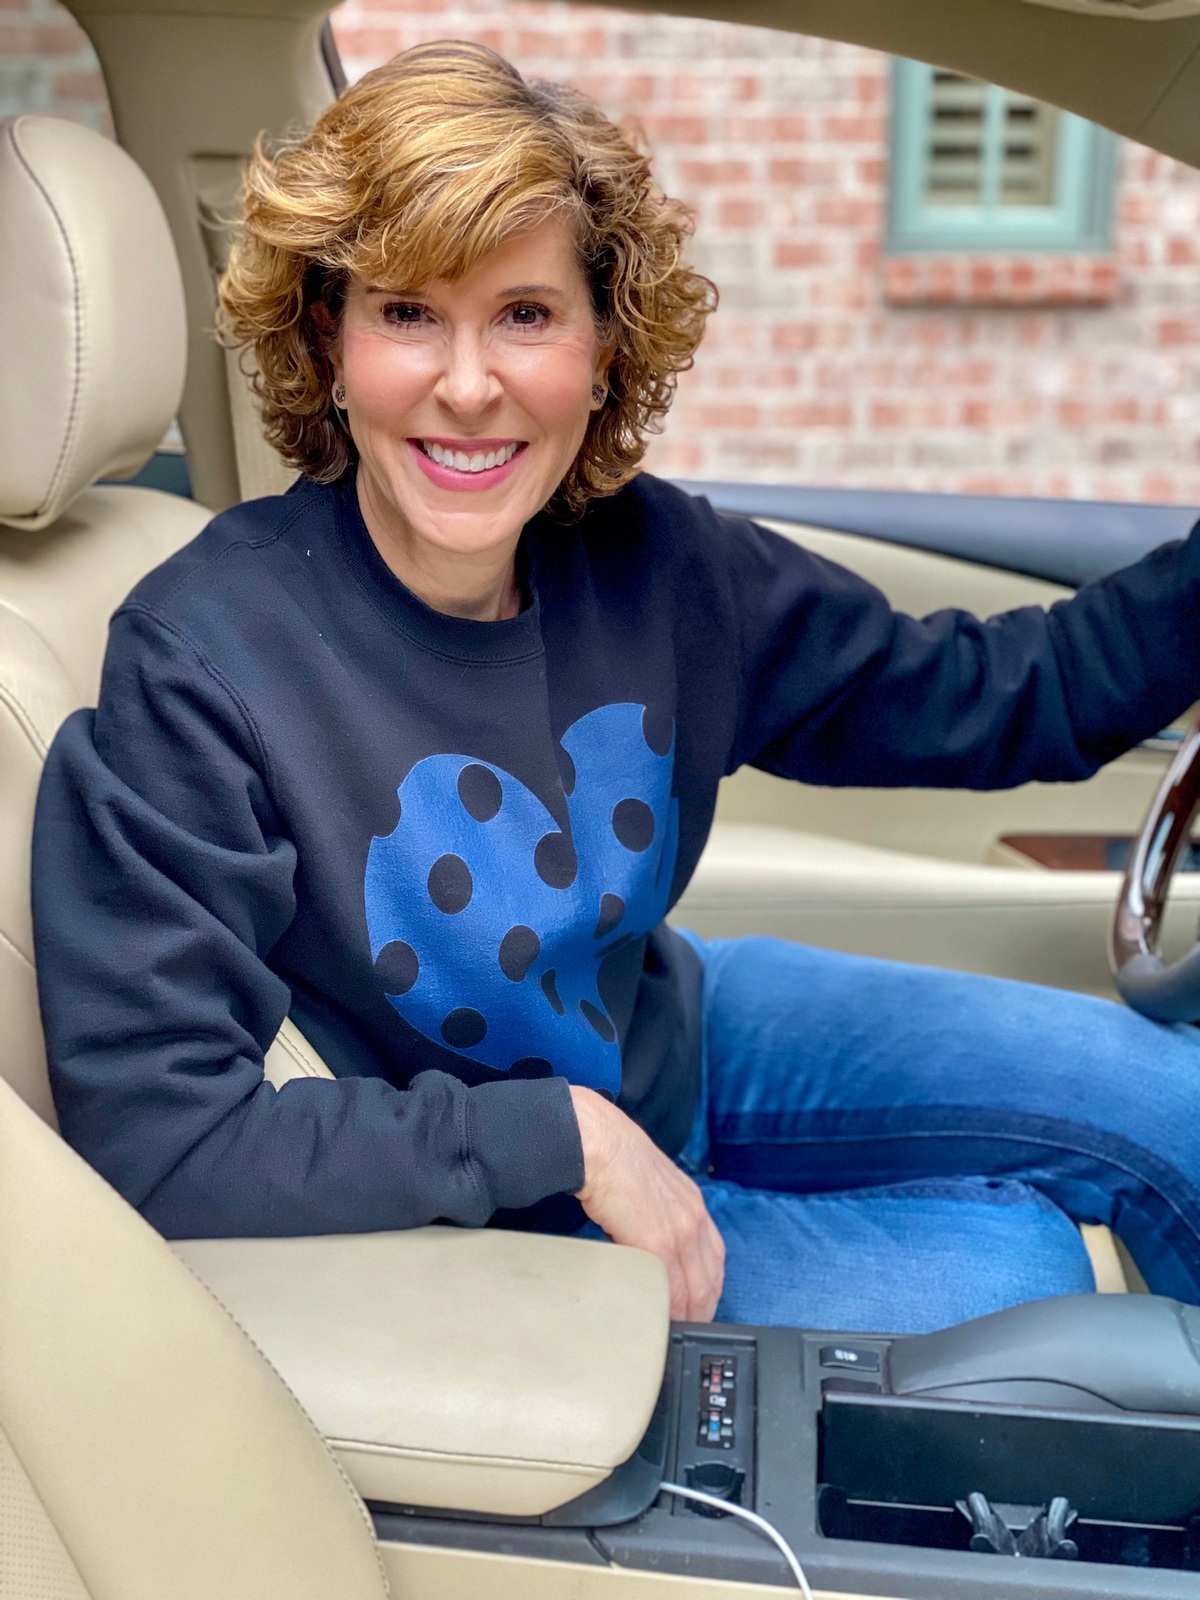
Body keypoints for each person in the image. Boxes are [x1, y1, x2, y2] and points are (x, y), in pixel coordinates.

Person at [31, 40, 1200, 1335]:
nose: (467, 385)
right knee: (1026, 1283)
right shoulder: (200, 662)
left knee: (1176, 1113)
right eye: (407, 312)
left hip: (692, 1035)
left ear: (602, 348)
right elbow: (166, 1143)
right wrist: (563, 1140)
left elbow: (1004, 694)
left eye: (524, 314)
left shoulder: (665, 570)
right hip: (510, 1204)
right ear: (331, 339)